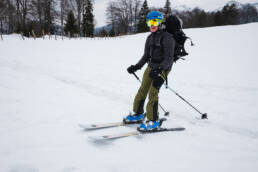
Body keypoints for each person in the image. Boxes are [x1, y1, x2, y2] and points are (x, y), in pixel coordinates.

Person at [124, 11, 176, 131]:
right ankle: (138, 114)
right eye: (149, 22)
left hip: (164, 69)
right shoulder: (150, 37)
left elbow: (169, 59)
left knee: (153, 92)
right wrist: (136, 66)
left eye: (155, 22)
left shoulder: (168, 38)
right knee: (142, 89)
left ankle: (153, 121)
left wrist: (159, 69)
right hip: (151, 67)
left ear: (160, 22)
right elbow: (146, 56)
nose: (152, 25)